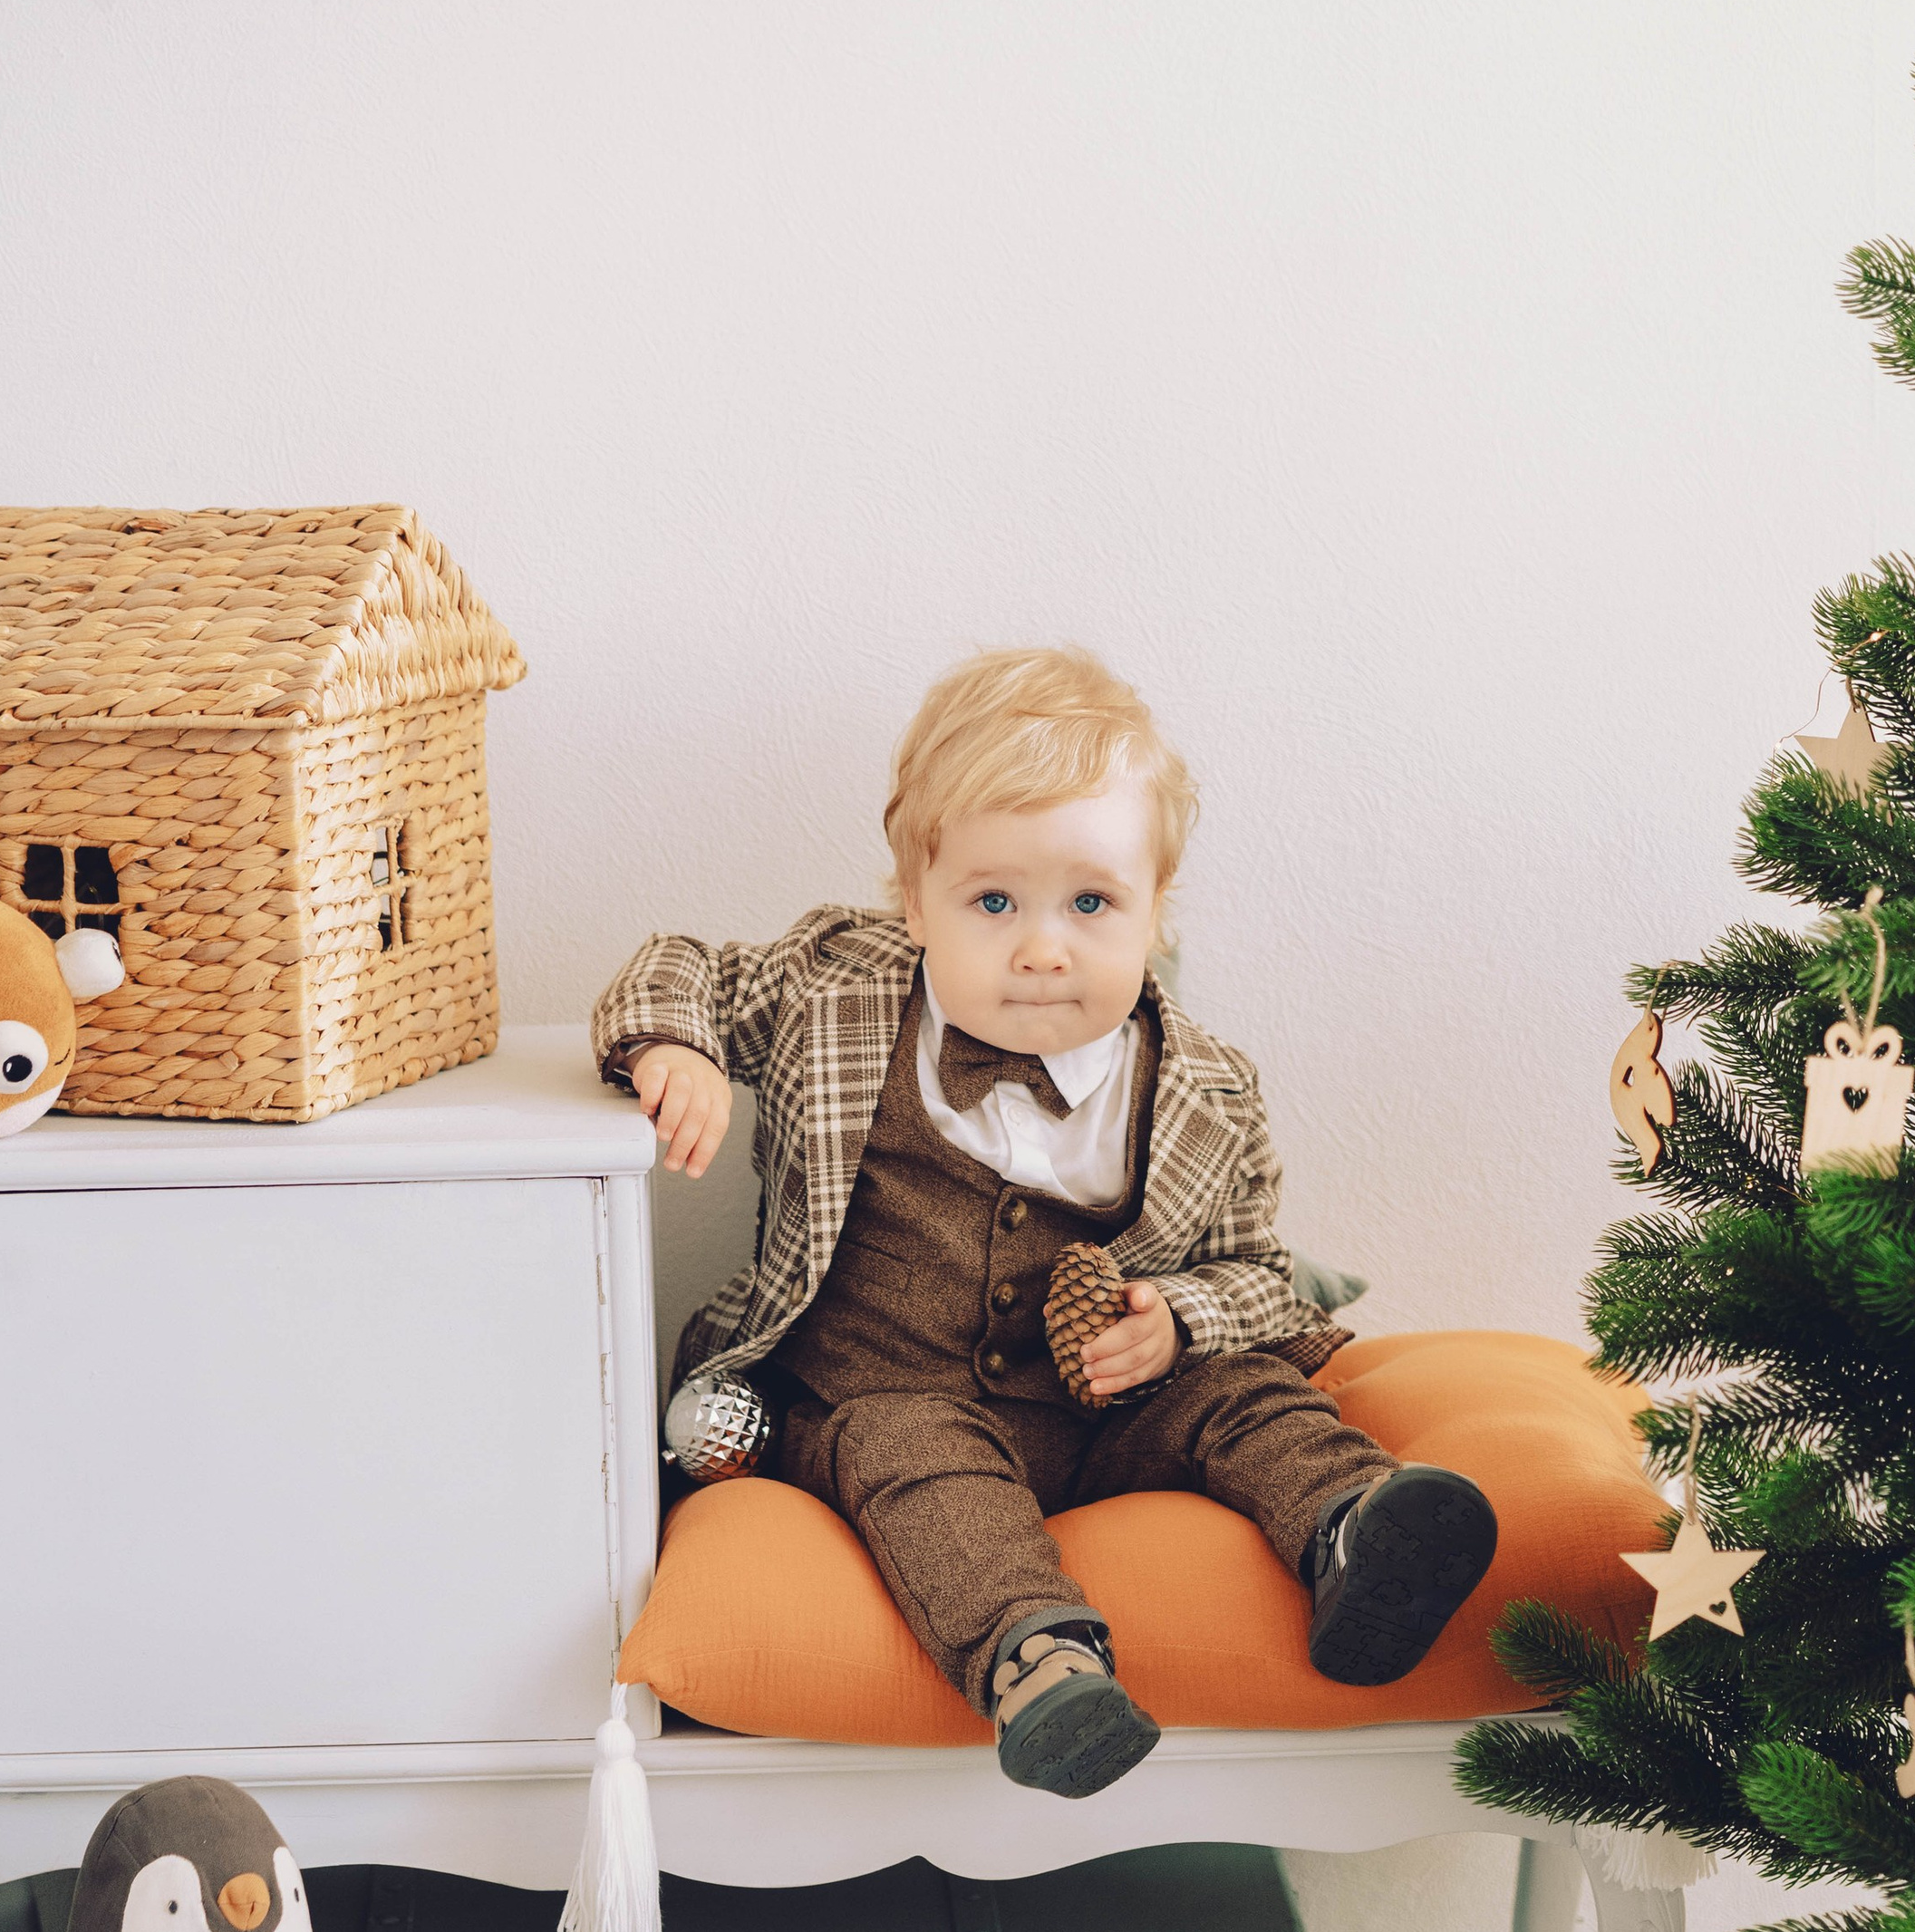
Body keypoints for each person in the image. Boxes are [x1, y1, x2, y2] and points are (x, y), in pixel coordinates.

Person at [593, 645, 1495, 1798]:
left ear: (1155, 910)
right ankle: (1040, 1665)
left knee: (1249, 1396)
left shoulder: (1206, 1092)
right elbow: (675, 966)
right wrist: (673, 1049)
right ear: (914, 901)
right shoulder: (838, 995)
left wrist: (1177, 1318)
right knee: (917, 1461)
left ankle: (1356, 1538)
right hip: (877, 1398)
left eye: (1089, 901)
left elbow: (1264, 1275)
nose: (1042, 945)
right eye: (992, 901)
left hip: (1106, 1422)